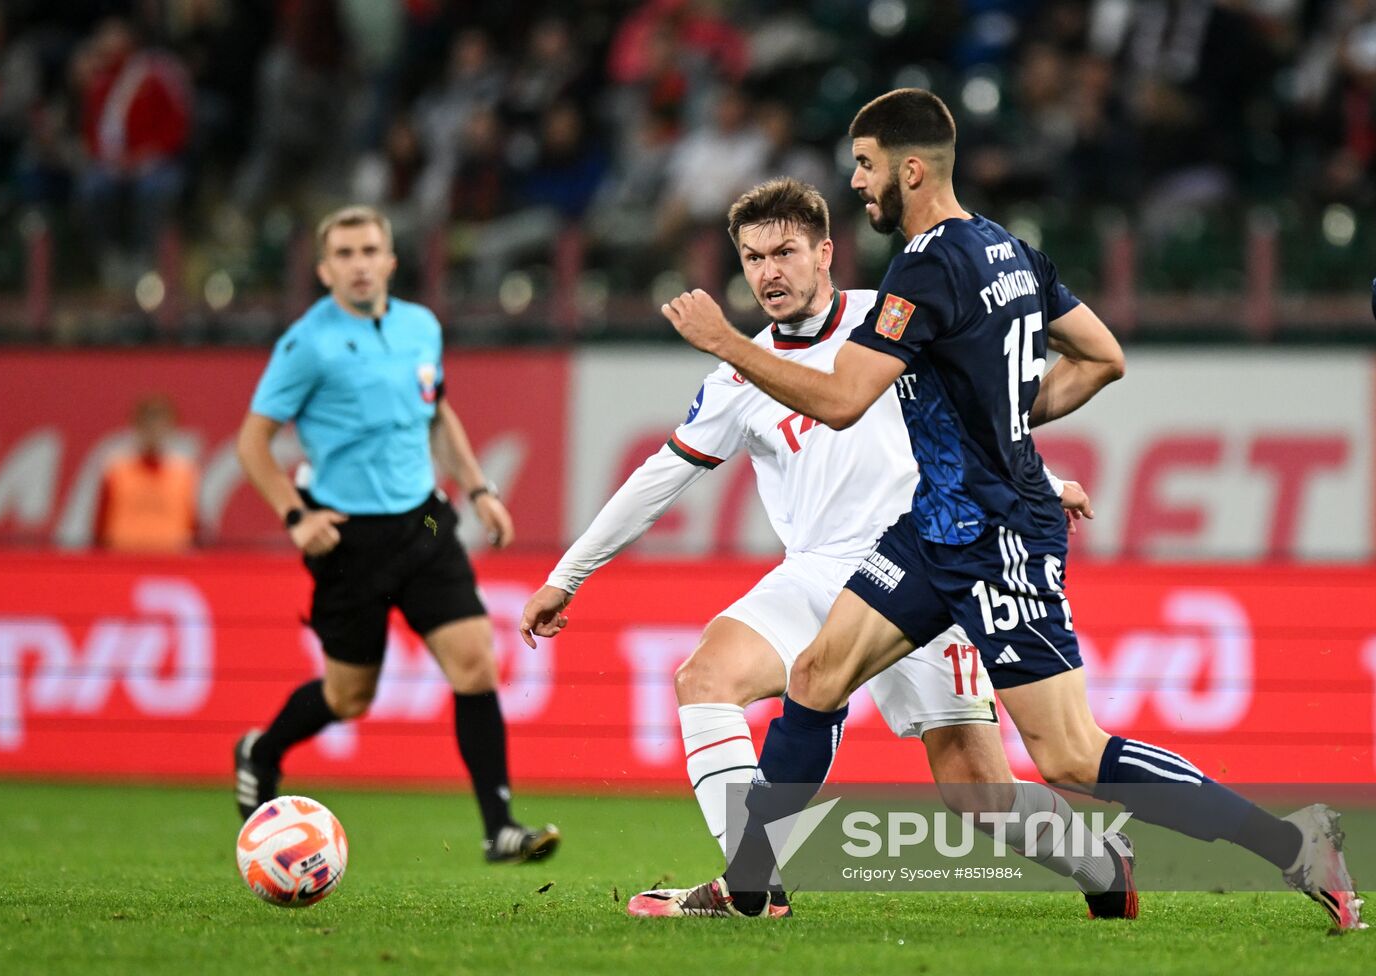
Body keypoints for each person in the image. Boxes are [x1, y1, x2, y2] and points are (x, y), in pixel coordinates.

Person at [658, 89, 1362, 929]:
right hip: (934, 525)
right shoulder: (1011, 252)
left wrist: (728, 345)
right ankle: (747, 888)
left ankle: (1294, 843)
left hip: (998, 536)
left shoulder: (923, 265)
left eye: (867, 166)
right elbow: (1103, 356)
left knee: (1070, 756)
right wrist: (1000, 419)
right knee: (814, 677)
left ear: (910, 170)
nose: (857, 183)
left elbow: (844, 401)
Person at [520, 177, 1131, 919]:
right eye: (752, 258)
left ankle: (1099, 859)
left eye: (784, 251)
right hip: (816, 576)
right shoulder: (740, 375)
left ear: (825, 252)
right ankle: (754, 886)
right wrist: (568, 574)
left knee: (981, 794)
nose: (768, 272)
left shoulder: (893, 316)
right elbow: (659, 477)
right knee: (703, 677)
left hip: (928, 564)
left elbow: (987, 406)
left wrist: (1039, 479)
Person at [233, 205, 559, 864]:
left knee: (475, 663)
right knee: (349, 695)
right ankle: (261, 751)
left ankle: (500, 826)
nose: (359, 263)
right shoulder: (306, 343)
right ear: (325, 269)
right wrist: (298, 516)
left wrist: (478, 488)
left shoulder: (420, 327)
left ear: (390, 259)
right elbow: (252, 443)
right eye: (345, 253)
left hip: (426, 519)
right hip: (346, 538)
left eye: (369, 249)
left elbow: (436, 414)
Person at [93, 394, 199, 552]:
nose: (154, 431)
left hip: (171, 561)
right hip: (124, 560)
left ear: (171, 427)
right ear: (137, 426)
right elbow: (101, 525)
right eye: (148, 424)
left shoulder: (184, 473)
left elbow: (192, 524)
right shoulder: (117, 471)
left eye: (160, 424)